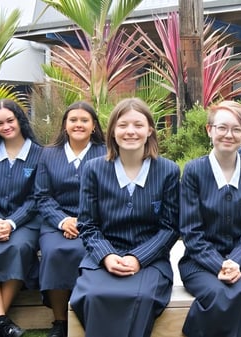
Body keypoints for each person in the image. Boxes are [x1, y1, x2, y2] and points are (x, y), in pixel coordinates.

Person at [69, 98, 180, 337]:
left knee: (142, 297)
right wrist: (107, 256)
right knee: (93, 296)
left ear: (150, 129)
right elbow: (87, 224)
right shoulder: (94, 169)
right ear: (112, 131)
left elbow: (170, 227)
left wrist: (138, 258)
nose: (130, 131)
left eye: (138, 125)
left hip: (150, 259)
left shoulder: (168, 170)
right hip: (103, 255)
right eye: (123, 125)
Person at [179, 100, 241, 337]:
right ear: (209, 130)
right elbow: (191, 231)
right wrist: (218, 264)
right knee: (218, 295)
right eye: (222, 128)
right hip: (200, 262)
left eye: (237, 129)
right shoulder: (194, 171)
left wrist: (236, 260)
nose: (228, 135)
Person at [35, 101, 106, 337]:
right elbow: (43, 196)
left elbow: (107, 194)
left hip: (94, 222)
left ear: (93, 126)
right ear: (65, 125)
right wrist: (63, 221)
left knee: (84, 253)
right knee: (55, 253)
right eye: (73, 120)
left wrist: (80, 221)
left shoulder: (105, 153)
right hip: (56, 224)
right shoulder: (48, 154)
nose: (78, 124)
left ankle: (86, 317)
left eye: (84, 120)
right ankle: (60, 322)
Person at [0, 99, 43, 337]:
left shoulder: (39, 155)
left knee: (19, 248)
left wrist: (11, 222)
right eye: (0, 123)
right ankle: (1, 321)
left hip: (25, 222)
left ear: (20, 120)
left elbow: (38, 197)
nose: (6, 126)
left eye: (10, 120)